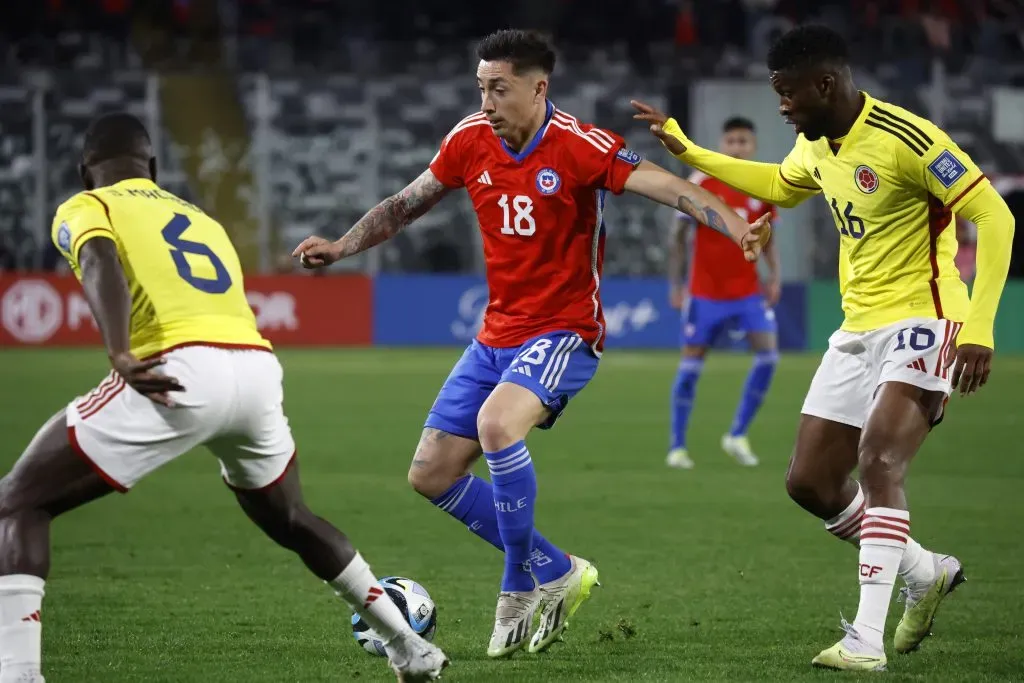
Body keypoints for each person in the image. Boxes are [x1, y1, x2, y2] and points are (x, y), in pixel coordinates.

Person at [294, 29, 771, 659]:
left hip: (566, 331)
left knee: (497, 426)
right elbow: (405, 204)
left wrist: (736, 225)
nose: (486, 100)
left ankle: (517, 583)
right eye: (480, 87)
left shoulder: (579, 146)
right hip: (496, 335)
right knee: (431, 473)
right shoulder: (469, 139)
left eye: (499, 88)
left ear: (538, 87)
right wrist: (342, 245)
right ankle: (558, 569)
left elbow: (663, 184)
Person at [0, 113, 447, 683]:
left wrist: (118, 350)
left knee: (17, 502)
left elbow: (99, 261)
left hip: (178, 368)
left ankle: (17, 674)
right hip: (256, 371)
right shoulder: (199, 218)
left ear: (86, 171)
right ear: (154, 168)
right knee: (291, 517)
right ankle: (407, 645)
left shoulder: (89, 205)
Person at [633, 24, 1014, 672]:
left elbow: (995, 217)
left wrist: (979, 325)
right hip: (857, 327)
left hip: (927, 316)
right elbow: (779, 184)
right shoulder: (816, 147)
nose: (781, 106)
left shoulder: (909, 139)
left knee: (878, 460)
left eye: (787, 94)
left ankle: (865, 638)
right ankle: (924, 572)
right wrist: (689, 150)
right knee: (809, 481)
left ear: (825, 84)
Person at [666, 116, 782, 470]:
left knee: (769, 357)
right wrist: (676, 284)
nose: (737, 147)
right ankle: (678, 447)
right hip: (704, 294)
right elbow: (678, 237)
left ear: (754, 146)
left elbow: (768, 238)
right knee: (690, 367)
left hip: (747, 292)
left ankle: (737, 435)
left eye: (743, 141)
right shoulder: (702, 182)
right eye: (731, 141)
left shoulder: (762, 186)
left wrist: (774, 275)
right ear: (722, 144)